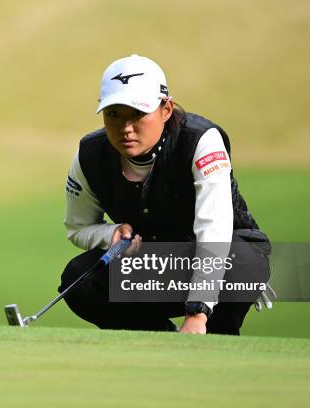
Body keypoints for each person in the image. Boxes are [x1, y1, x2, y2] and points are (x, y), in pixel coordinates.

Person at [59, 54, 270, 335]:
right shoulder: (90, 154)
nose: (125, 128)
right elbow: (78, 227)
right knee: (79, 279)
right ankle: (156, 340)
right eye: (114, 114)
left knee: (240, 261)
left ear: (166, 109)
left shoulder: (201, 140)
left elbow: (214, 229)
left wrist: (198, 310)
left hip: (222, 261)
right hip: (156, 266)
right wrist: (109, 234)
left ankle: (218, 341)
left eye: (137, 113)